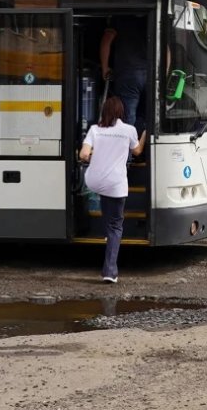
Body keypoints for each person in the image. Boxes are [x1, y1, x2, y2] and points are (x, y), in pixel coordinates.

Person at [80, 96, 148, 283]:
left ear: (104, 112)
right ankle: (109, 272)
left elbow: (84, 154)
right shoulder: (128, 130)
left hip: (95, 181)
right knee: (116, 226)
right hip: (116, 184)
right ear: (121, 113)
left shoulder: (95, 129)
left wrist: (96, 155)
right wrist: (144, 134)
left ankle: (107, 236)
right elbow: (137, 151)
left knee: (107, 216)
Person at [99, 16, 149, 134]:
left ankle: (127, 151)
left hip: (128, 73)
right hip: (150, 73)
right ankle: (141, 148)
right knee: (148, 116)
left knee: (127, 119)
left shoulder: (121, 15)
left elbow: (107, 40)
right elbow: (166, 49)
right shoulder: (152, 17)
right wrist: (164, 75)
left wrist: (105, 67)